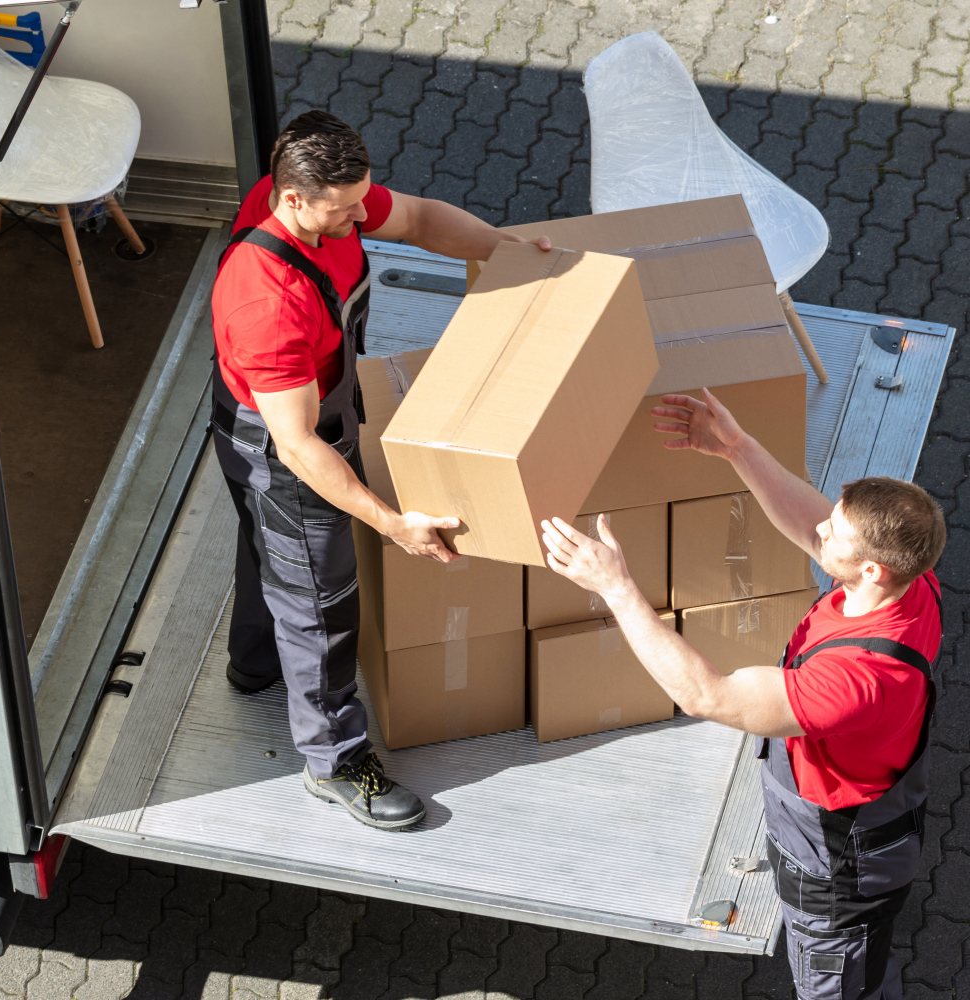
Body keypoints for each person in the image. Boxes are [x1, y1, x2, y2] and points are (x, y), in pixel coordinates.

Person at [541, 387, 946, 1000]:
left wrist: (616, 587)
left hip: (838, 866)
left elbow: (707, 695)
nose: (821, 527)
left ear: (872, 570)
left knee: (838, 977)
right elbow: (811, 526)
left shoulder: (856, 681)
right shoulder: (911, 582)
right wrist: (737, 447)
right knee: (863, 961)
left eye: (836, 531)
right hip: (855, 822)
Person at [211, 110, 550, 830]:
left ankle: (254, 663)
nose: (363, 217)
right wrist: (391, 524)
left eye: (363, 199)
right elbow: (298, 446)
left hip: (292, 411)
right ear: (292, 198)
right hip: (285, 444)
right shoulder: (267, 301)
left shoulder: (317, 198)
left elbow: (420, 219)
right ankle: (335, 762)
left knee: (268, 550)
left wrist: (511, 252)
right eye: (346, 209)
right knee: (321, 602)